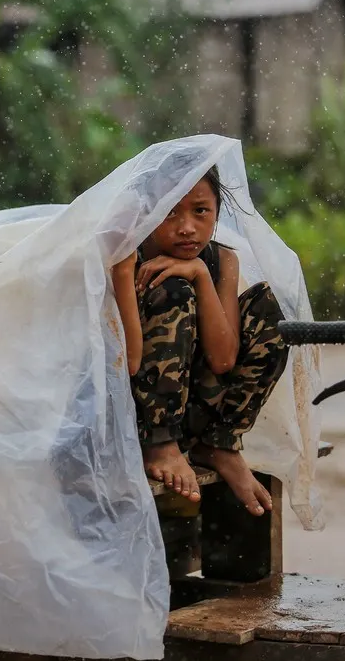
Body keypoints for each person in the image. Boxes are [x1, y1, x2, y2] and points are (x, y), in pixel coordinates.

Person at [111, 163, 289, 517]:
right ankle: (160, 444)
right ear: (148, 213)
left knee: (269, 309)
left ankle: (219, 443)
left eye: (201, 211)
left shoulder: (222, 259)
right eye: (170, 213)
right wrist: (123, 272)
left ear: (217, 213)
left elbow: (224, 360)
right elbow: (127, 363)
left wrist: (202, 276)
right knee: (174, 290)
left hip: (194, 412)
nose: (187, 228)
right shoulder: (128, 256)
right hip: (132, 417)